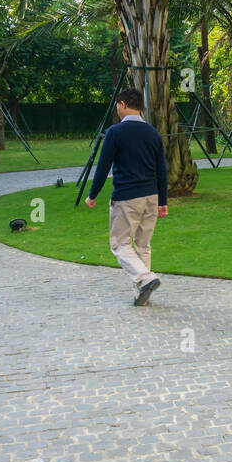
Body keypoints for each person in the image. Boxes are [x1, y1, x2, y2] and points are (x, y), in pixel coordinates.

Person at [85, 88, 168, 306]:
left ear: (122, 104)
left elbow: (103, 167)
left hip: (127, 197)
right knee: (143, 244)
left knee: (119, 244)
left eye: (117, 105)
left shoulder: (115, 132)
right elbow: (162, 170)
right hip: (151, 196)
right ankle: (140, 292)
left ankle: (145, 278)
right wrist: (163, 201)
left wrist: (92, 195)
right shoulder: (153, 133)